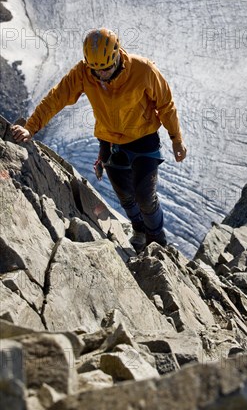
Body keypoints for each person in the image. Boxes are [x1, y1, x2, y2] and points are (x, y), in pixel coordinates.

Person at [11, 28, 187, 253]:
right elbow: (57, 97)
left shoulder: (143, 70)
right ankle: (139, 232)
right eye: (96, 70)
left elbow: (165, 104)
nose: (102, 75)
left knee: (145, 196)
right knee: (125, 196)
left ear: (117, 56)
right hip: (110, 143)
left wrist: (176, 139)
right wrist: (30, 128)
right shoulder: (84, 72)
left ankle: (157, 240)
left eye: (106, 68)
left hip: (144, 140)